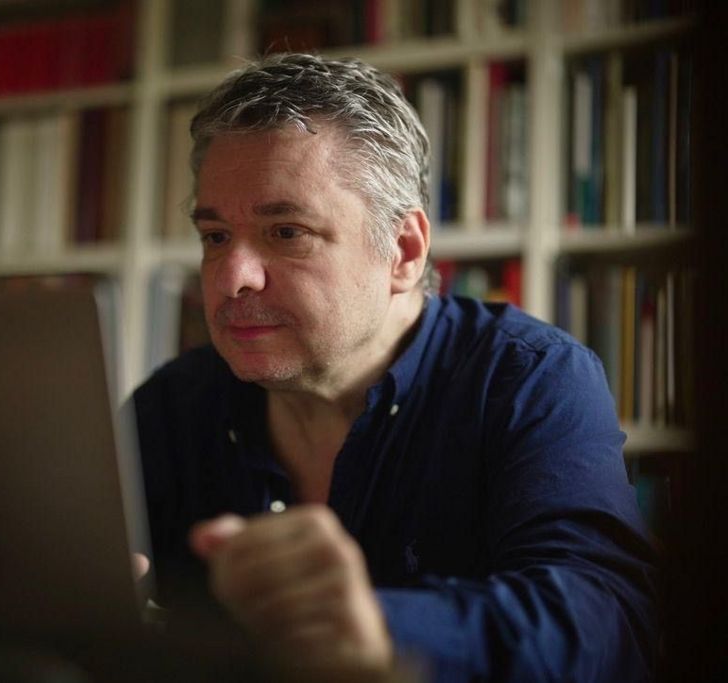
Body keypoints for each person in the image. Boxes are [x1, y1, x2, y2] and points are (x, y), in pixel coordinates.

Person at [132, 53, 656, 682]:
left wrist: (381, 632)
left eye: (287, 232)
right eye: (216, 237)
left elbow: (607, 623)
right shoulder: (173, 402)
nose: (232, 278)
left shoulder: (531, 380)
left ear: (404, 252)